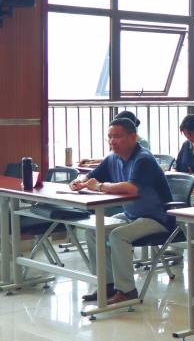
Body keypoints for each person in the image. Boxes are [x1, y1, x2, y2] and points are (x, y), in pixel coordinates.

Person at [72, 118, 173, 304]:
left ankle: (127, 291)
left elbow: (131, 188)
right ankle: (107, 285)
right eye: (109, 137)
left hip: (157, 218)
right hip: (131, 215)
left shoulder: (143, 158)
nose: (112, 141)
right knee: (94, 232)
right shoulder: (113, 158)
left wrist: (100, 186)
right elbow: (91, 175)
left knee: (118, 235)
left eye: (117, 137)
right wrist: (79, 181)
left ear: (133, 137)